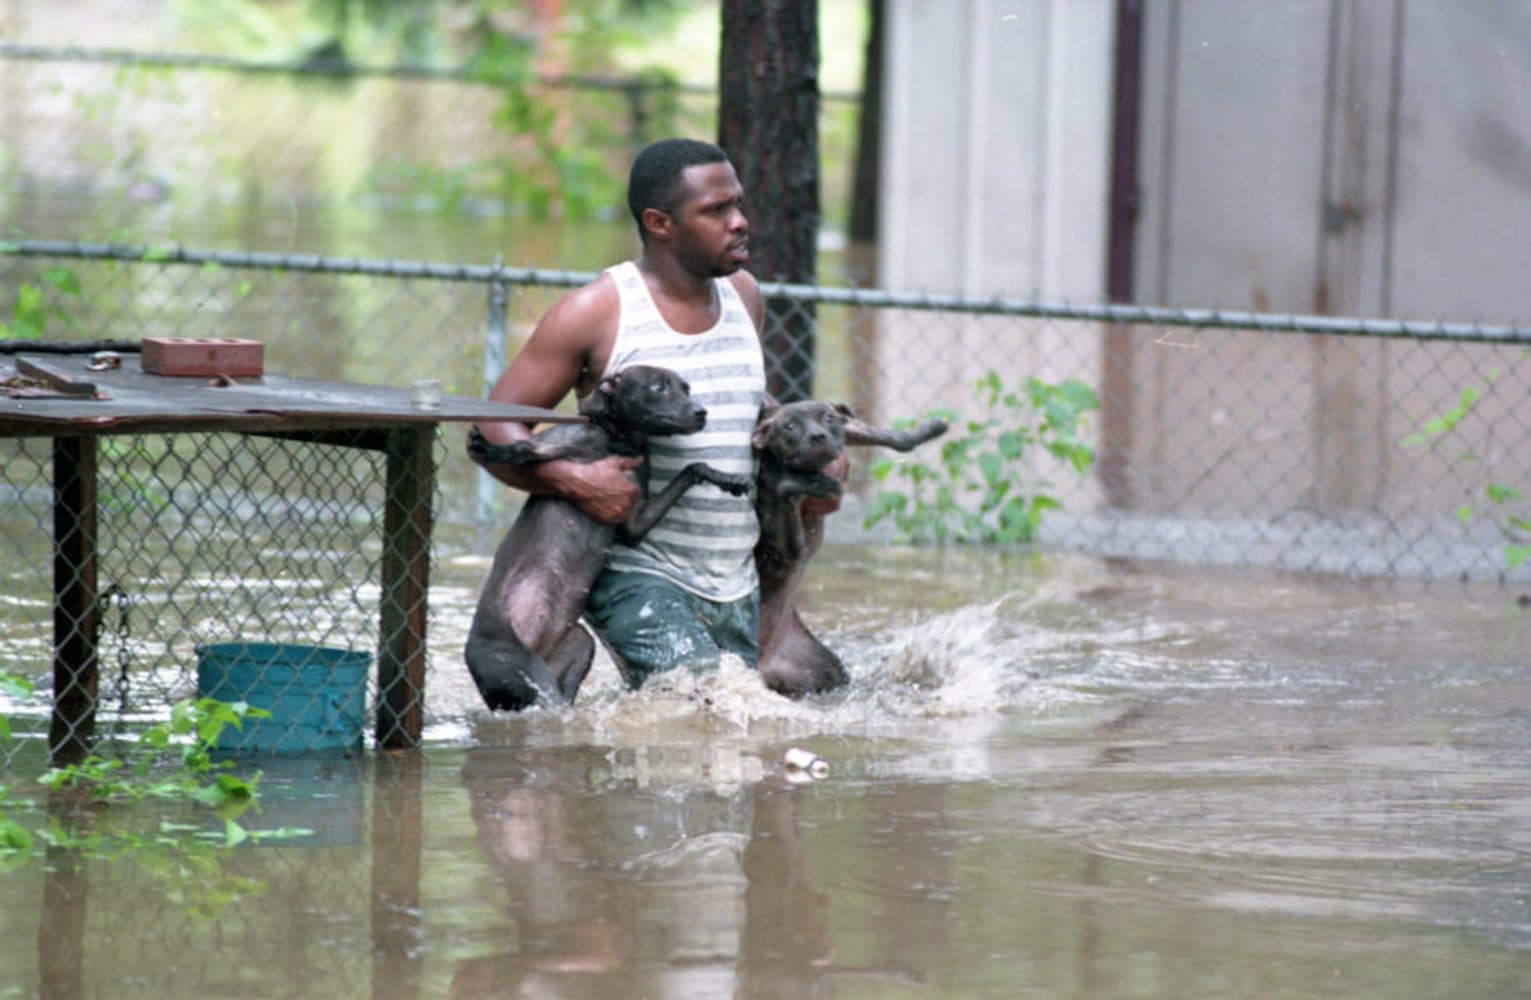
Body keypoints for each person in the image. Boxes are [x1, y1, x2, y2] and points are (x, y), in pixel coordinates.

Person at [472, 137, 837, 690]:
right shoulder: (597, 310)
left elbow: (742, 412)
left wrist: (818, 461)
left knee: (800, 710)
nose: (739, 222)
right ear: (660, 223)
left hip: (734, 573)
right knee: (706, 712)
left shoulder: (746, 295)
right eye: (716, 211)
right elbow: (492, 425)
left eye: (738, 204)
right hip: (636, 570)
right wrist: (575, 480)